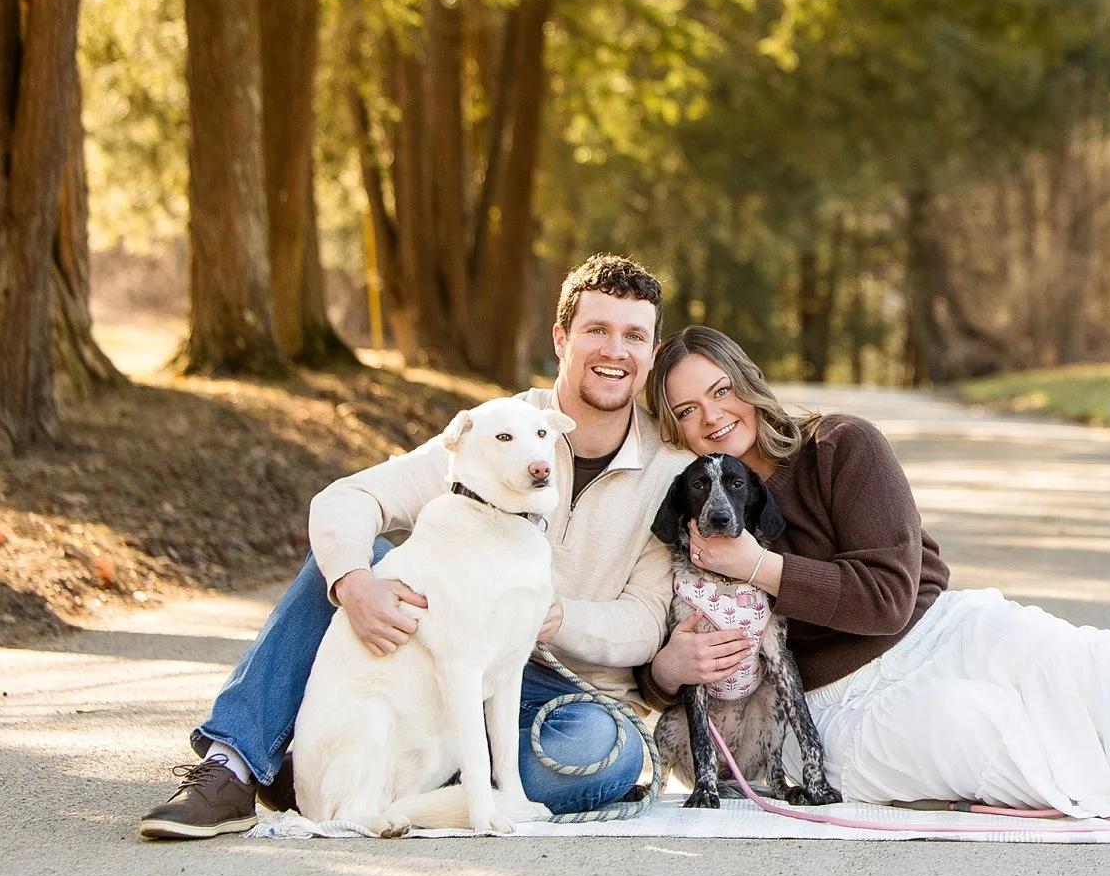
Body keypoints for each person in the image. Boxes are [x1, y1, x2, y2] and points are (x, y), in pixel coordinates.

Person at [642, 325, 1110, 823]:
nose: (712, 414)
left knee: (1080, 659)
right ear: (675, 429)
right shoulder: (688, 514)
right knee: (979, 728)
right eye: (687, 409)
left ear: (748, 381)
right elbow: (656, 637)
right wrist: (664, 673)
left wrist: (758, 565)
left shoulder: (841, 445)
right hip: (825, 705)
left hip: (935, 628)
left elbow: (888, 598)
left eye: (721, 388)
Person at [139, 254, 701, 839]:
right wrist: (354, 584)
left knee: (607, 755)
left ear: (652, 353)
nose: (615, 351)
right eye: (596, 331)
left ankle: (384, 786)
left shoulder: (669, 470)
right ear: (561, 339)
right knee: (346, 562)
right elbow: (350, 498)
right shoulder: (496, 426)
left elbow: (643, 621)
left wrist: (557, 618)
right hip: (437, 665)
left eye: (633, 336)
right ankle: (233, 766)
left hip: (554, 693)